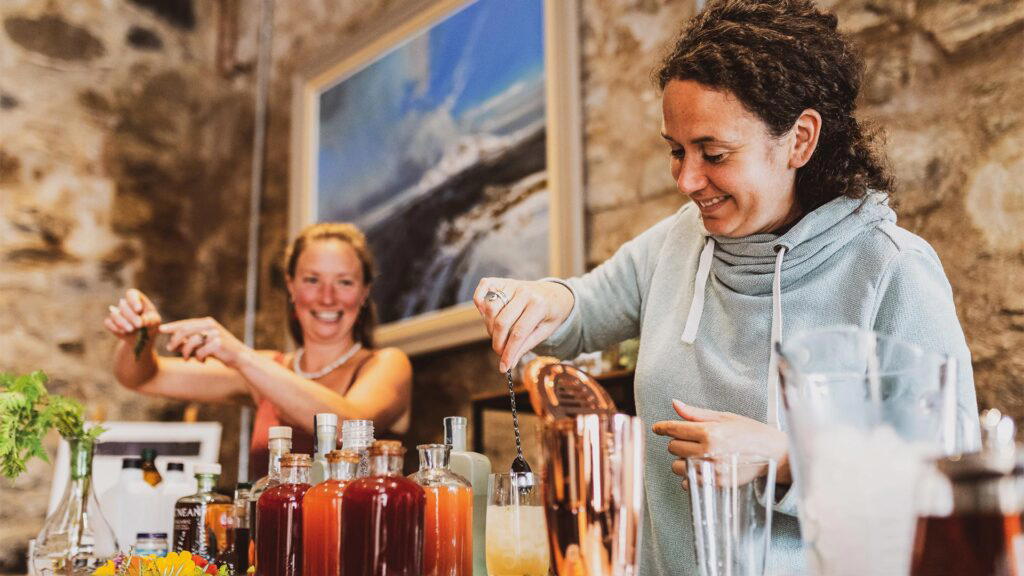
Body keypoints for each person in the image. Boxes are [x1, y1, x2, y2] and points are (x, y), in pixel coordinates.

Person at [473, 1, 979, 574]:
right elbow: (583, 309)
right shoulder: (677, 242)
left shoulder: (893, 271)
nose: (687, 180)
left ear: (800, 140)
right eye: (676, 150)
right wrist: (543, 299)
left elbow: (951, 486)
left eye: (714, 154)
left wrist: (785, 460)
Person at [105, 223, 413, 478]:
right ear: (291, 286)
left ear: (364, 292)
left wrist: (240, 356)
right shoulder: (268, 368)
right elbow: (146, 378)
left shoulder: (386, 365)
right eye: (312, 280)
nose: (327, 297)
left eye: (344, 282)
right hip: (267, 549)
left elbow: (348, 428)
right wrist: (138, 340)